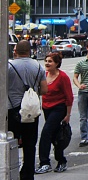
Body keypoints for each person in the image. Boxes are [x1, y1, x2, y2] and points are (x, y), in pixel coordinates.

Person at [8, 40, 47, 180]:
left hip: (12, 109)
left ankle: (10, 169)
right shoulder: (38, 67)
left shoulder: (9, 66)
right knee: (30, 145)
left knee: (10, 141)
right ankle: (28, 174)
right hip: (31, 111)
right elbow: (44, 89)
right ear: (30, 51)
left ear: (16, 51)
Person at [35, 52, 74, 174]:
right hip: (46, 108)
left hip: (59, 108)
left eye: (50, 61)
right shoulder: (44, 75)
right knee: (55, 136)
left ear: (57, 63)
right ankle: (61, 161)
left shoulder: (63, 77)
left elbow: (69, 96)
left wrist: (68, 114)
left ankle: (44, 163)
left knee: (46, 132)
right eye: (46, 60)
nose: (47, 63)